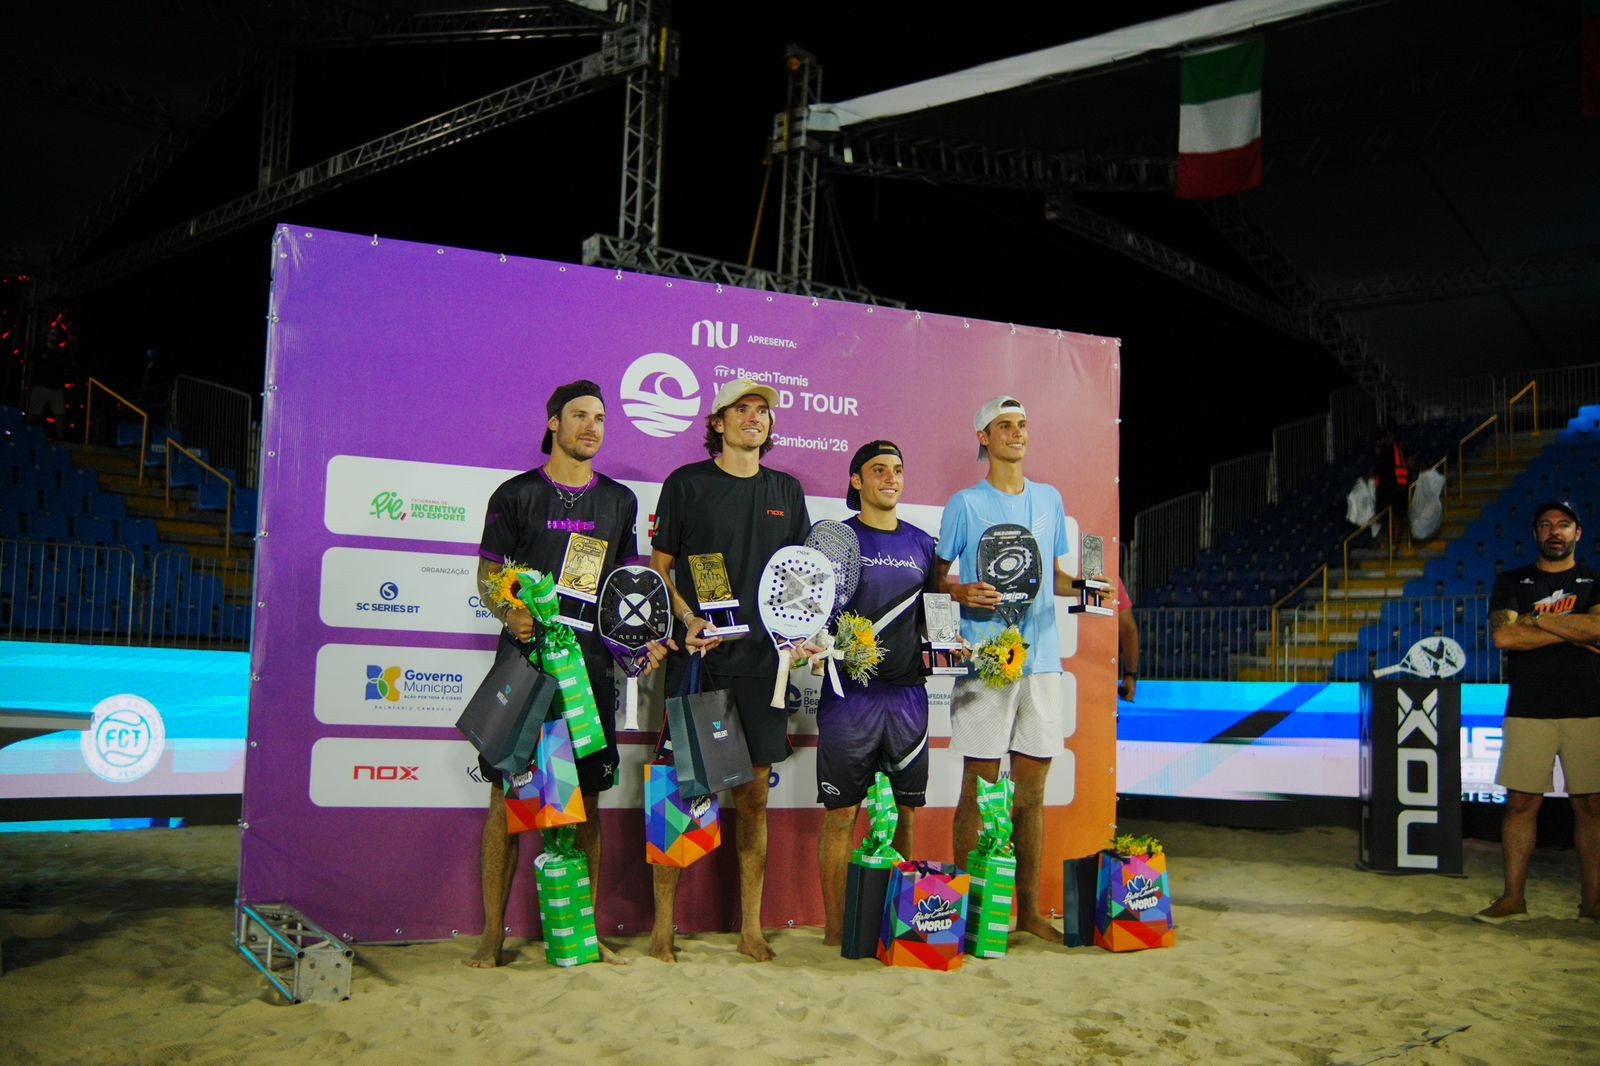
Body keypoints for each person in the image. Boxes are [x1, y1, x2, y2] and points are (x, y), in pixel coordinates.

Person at [466, 380, 667, 967]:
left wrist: (643, 642)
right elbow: (486, 577)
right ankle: (491, 935)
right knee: (508, 799)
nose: (591, 426)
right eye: (579, 415)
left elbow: (625, 590)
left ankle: (584, 929)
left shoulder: (621, 501)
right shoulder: (515, 494)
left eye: (600, 417)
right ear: (553, 423)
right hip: (525, 668)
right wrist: (509, 610)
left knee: (588, 802)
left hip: (592, 671)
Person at [649, 378, 810, 962]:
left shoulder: (787, 491)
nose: (754, 418)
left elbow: (801, 578)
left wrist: (805, 633)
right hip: (702, 661)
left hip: (765, 666)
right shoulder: (686, 484)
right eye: (741, 409)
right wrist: (689, 619)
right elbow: (660, 568)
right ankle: (662, 929)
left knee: (754, 800)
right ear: (717, 422)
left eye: (762, 411)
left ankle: (750, 930)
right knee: (682, 793)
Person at [933, 395, 1077, 942]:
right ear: (984, 439)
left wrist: (1088, 586)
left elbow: (1056, 579)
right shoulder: (965, 505)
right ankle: (968, 917)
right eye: (1004, 426)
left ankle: (1030, 914)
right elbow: (936, 580)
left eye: (1022, 425)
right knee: (978, 786)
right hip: (986, 663)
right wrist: (960, 592)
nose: (1017, 433)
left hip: (1041, 664)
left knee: (1032, 792)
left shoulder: (1051, 499)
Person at [815, 441, 943, 946]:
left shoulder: (923, 544)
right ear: (856, 481)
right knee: (842, 816)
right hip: (850, 698)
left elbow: (935, 615)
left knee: (906, 813)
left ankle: (903, 924)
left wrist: (952, 648)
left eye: (897, 469)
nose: (890, 478)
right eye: (878, 470)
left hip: (909, 696)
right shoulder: (836, 541)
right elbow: (815, 614)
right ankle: (835, 931)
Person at [1476, 499, 1600, 924]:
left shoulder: (1595, 580)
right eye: (1546, 524)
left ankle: (1593, 904)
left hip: (1590, 707)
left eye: (1564, 525)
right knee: (1521, 804)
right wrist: (1573, 627)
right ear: (1535, 533)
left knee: (1591, 805)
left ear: (1577, 533)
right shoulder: (1511, 580)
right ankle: (1513, 900)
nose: (1555, 531)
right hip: (1528, 709)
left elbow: (1599, 629)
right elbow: (1504, 639)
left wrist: (1537, 620)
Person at [1117, 576, 1139, 702]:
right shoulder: (1108, 576)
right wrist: (1131, 674)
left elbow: (1129, 630)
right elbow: (1128, 630)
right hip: (1099, 671)